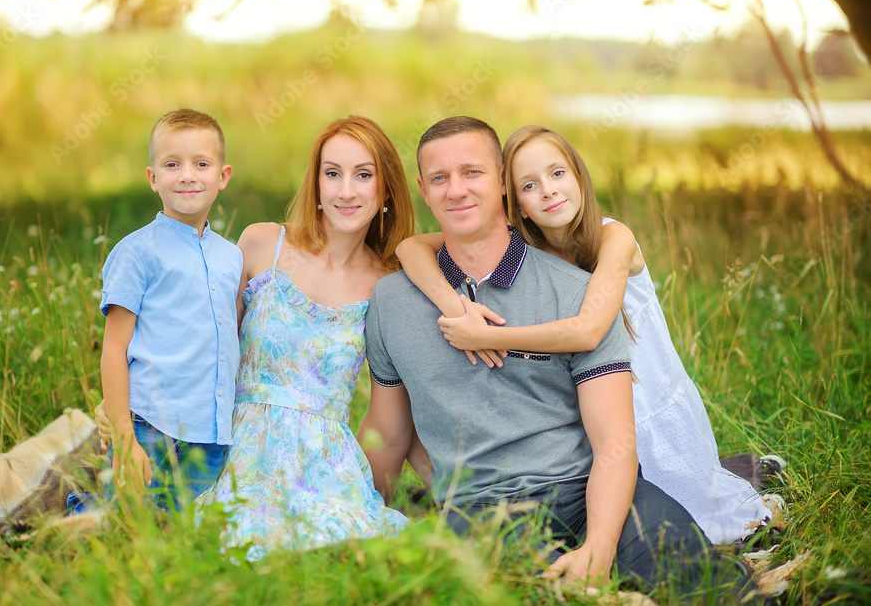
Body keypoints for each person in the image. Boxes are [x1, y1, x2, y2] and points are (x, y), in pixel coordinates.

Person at [359, 116, 756, 598]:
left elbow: (613, 438)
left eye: (472, 173)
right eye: (440, 178)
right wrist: (353, 521)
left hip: (590, 486)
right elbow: (387, 435)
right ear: (424, 189)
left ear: (503, 182)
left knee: (694, 572)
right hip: (484, 506)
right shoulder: (393, 302)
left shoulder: (579, 291)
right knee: (542, 589)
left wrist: (600, 546)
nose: (456, 190)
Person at [193, 115, 422, 561]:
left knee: (334, 545)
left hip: (323, 462)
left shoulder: (389, 286)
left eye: (363, 175)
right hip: (237, 443)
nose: (346, 191)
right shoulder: (261, 244)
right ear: (316, 183)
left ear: (387, 189)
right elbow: (209, 350)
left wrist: (375, 492)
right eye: (332, 173)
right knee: (237, 539)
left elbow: (388, 414)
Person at [96, 108, 241, 512]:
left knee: (187, 532)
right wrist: (123, 433)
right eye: (172, 164)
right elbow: (114, 349)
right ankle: (83, 511)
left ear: (223, 176)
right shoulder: (137, 253)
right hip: (148, 425)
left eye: (201, 164)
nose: (187, 175)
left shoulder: (231, 258)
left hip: (210, 433)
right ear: (153, 178)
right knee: (130, 520)